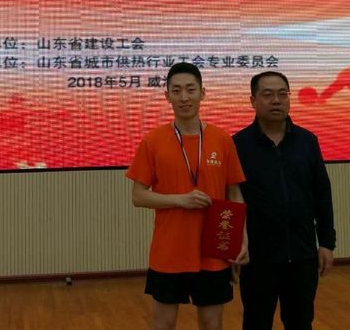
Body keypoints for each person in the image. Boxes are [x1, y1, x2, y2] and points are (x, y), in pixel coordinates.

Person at [127, 62, 248, 330]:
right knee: (164, 323)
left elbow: (234, 192)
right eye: (177, 90)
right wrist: (180, 200)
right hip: (169, 251)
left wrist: (242, 237)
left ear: (202, 93)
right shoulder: (153, 141)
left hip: (214, 249)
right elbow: (138, 196)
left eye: (191, 90)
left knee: (212, 323)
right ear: (167, 96)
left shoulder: (222, 139)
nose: (184, 97)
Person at [233, 71, 335, 330]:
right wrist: (231, 249)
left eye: (282, 94)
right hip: (258, 258)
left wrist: (326, 243)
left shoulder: (307, 141)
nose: (276, 100)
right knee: (256, 322)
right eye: (267, 94)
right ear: (253, 101)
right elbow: (231, 199)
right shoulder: (238, 145)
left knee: (300, 322)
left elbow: (322, 194)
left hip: (302, 255)